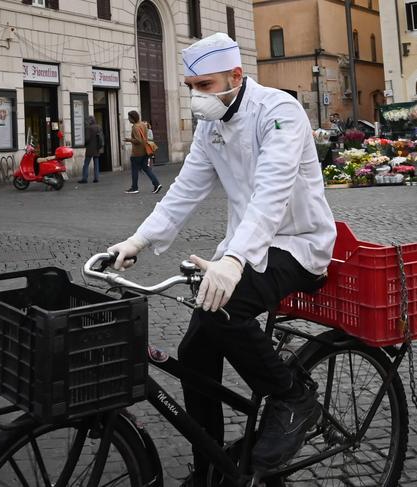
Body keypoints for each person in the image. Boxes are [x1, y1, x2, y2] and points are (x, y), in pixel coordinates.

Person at [107, 32, 336, 483]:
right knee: (194, 351)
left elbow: (273, 192)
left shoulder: (279, 112)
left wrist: (235, 260)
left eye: (205, 86)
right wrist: (136, 240)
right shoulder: (211, 126)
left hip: (298, 244)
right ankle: (211, 465)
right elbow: (185, 191)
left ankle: (294, 398)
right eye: (191, 86)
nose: (196, 97)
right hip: (245, 248)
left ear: (236, 76)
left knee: (224, 309)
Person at [123, 110, 162, 194]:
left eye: (129, 117)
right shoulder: (143, 124)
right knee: (146, 168)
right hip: (145, 150)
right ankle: (157, 184)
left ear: (133, 118)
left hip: (137, 153)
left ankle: (134, 188)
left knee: (134, 170)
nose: (128, 119)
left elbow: (138, 140)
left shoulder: (135, 127)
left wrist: (129, 140)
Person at [78, 116, 103, 183]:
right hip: (97, 148)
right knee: (96, 164)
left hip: (90, 148)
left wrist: (85, 144)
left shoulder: (89, 128)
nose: (87, 122)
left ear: (90, 121)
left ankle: (84, 178)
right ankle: (96, 178)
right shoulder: (99, 127)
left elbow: (87, 139)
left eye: (88, 120)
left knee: (86, 164)